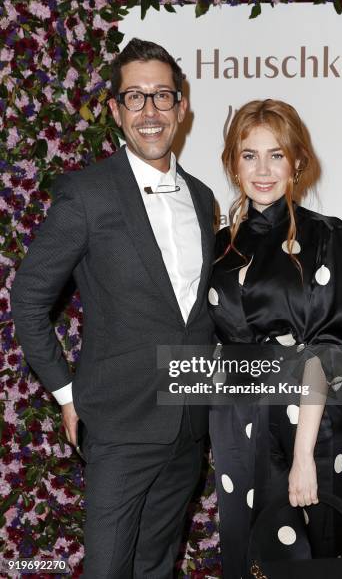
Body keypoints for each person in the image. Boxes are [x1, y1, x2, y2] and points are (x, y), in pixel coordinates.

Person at [11, 38, 215, 579]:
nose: (150, 111)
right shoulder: (87, 194)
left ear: (182, 106)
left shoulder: (202, 198)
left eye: (162, 96)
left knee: (155, 568)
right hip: (119, 425)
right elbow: (28, 300)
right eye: (135, 97)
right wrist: (65, 392)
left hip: (188, 426)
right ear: (116, 110)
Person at [208, 99, 342, 578]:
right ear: (233, 163)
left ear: (296, 161)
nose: (263, 169)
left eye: (276, 154)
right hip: (235, 422)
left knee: (304, 557)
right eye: (249, 155)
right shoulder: (218, 247)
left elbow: (325, 349)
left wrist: (302, 457)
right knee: (245, 553)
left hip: (304, 423)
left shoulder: (326, 237)